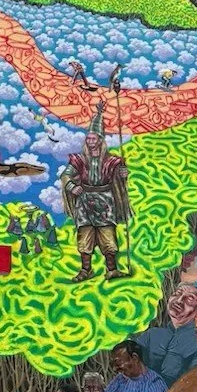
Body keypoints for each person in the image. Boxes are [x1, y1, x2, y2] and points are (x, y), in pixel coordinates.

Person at [60, 103, 132, 282]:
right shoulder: (79, 159)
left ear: (100, 140)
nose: (90, 142)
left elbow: (119, 178)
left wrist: (123, 174)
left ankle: (112, 269)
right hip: (84, 201)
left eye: (94, 139)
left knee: (107, 235)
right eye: (88, 139)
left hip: (105, 201)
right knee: (85, 235)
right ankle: (86, 270)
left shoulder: (111, 161)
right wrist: (72, 187)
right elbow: (65, 176)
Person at [132, 283, 197, 389]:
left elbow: (194, 385)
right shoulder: (151, 335)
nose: (179, 300)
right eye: (177, 294)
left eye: (189, 299)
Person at [102, 341, 166, 392]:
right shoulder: (118, 380)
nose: (114, 369)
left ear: (135, 358)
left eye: (118, 364)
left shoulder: (154, 383)